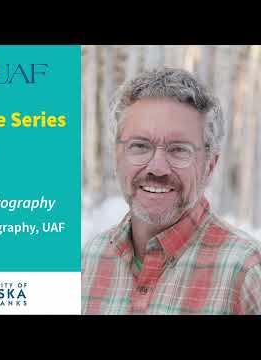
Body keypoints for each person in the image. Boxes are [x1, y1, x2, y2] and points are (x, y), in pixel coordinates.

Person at [82, 67, 261, 315]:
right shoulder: (90, 260)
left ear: (210, 165)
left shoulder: (246, 272)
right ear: (116, 157)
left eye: (178, 150)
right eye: (140, 146)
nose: (157, 168)